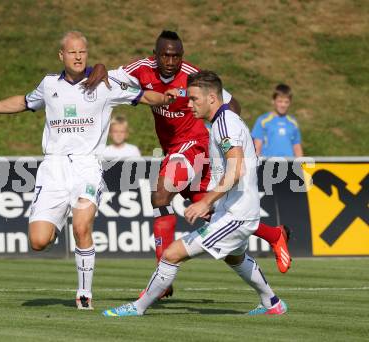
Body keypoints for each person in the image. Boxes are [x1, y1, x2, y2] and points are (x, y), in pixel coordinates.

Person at [0, 30, 177, 310]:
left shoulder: (103, 85)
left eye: (82, 52)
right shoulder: (49, 85)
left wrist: (165, 99)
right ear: (62, 55)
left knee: (82, 227)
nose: (78, 56)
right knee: (38, 241)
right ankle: (55, 226)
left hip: (86, 167)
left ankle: (84, 294)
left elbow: (143, 96)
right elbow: (24, 102)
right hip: (53, 168)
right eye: (72, 52)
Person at [88, 31, 291, 286]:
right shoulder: (142, 69)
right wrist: (99, 66)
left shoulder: (192, 75)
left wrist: (220, 130)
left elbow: (232, 105)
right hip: (172, 147)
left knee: (161, 195)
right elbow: (108, 75)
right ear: (156, 55)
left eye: (176, 56)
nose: (172, 61)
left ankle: (162, 272)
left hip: (194, 144)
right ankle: (274, 234)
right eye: (166, 55)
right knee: (212, 212)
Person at [103, 71, 288, 317]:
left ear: (211, 98)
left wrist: (206, 202)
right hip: (235, 210)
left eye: (193, 99)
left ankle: (137, 308)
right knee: (235, 258)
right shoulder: (224, 120)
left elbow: (236, 169)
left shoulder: (224, 125)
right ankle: (272, 303)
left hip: (236, 215)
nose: (188, 104)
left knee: (171, 254)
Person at [252, 84, 303, 157]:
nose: (283, 105)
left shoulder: (293, 122)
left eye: (286, 102)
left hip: (289, 165)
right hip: (268, 165)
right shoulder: (263, 121)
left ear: (290, 103)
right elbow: (257, 146)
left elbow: (297, 146)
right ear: (273, 101)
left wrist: (301, 166)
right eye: (280, 101)